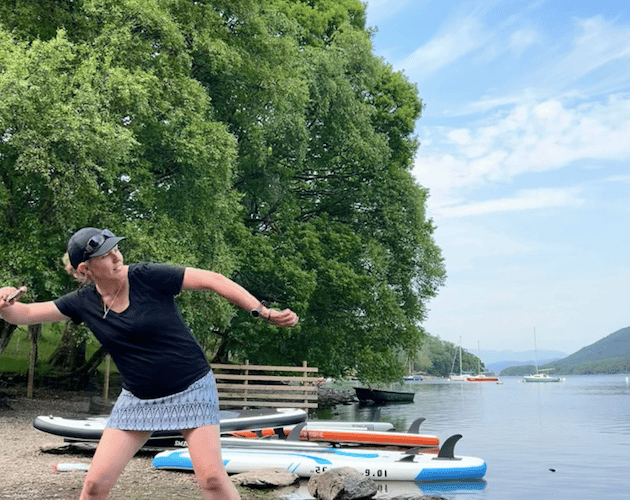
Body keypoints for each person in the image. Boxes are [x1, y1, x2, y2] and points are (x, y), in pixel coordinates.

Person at [0, 227, 299, 500]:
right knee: (93, 486)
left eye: (116, 248)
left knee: (212, 479)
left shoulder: (147, 276)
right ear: (85, 268)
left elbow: (213, 280)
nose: (117, 256)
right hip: (138, 399)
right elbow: (24, 315)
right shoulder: (82, 302)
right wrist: (5, 306)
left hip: (191, 387)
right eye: (106, 255)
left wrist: (263, 311)